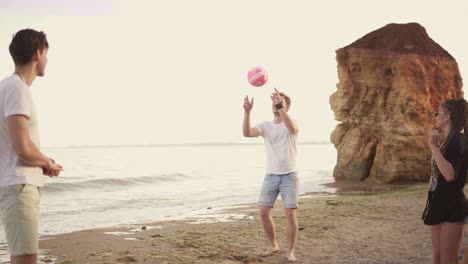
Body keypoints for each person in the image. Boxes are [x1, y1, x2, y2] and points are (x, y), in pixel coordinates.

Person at [0, 28, 63, 264]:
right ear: (38, 53)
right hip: (19, 186)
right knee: (25, 260)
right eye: (46, 53)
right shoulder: (17, 89)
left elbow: (15, 145)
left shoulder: (7, 87)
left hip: (13, 184)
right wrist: (46, 162)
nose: (47, 59)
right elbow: (21, 147)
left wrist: (41, 162)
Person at [243, 88, 299, 262]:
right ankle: (274, 244)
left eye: (280, 100)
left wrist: (280, 105)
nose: (275, 102)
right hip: (271, 176)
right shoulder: (266, 126)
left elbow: (292, 128)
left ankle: (290, 252)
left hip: (289, 175)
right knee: (263, 212)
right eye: (274, 100)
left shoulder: (291, 123)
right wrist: (247, 112)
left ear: (286, 106)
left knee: (290, 214)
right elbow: (247, 133)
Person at [422, 98, 468, 264]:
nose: (435, 116)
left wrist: (433, 146)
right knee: (438, 258)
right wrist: (436, 144)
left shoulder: (457, 141)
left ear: (447, 116)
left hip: (453, 209)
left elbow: (449, 175)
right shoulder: (446, 142)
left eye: (437, 113)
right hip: (438, 205)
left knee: (448, 261)